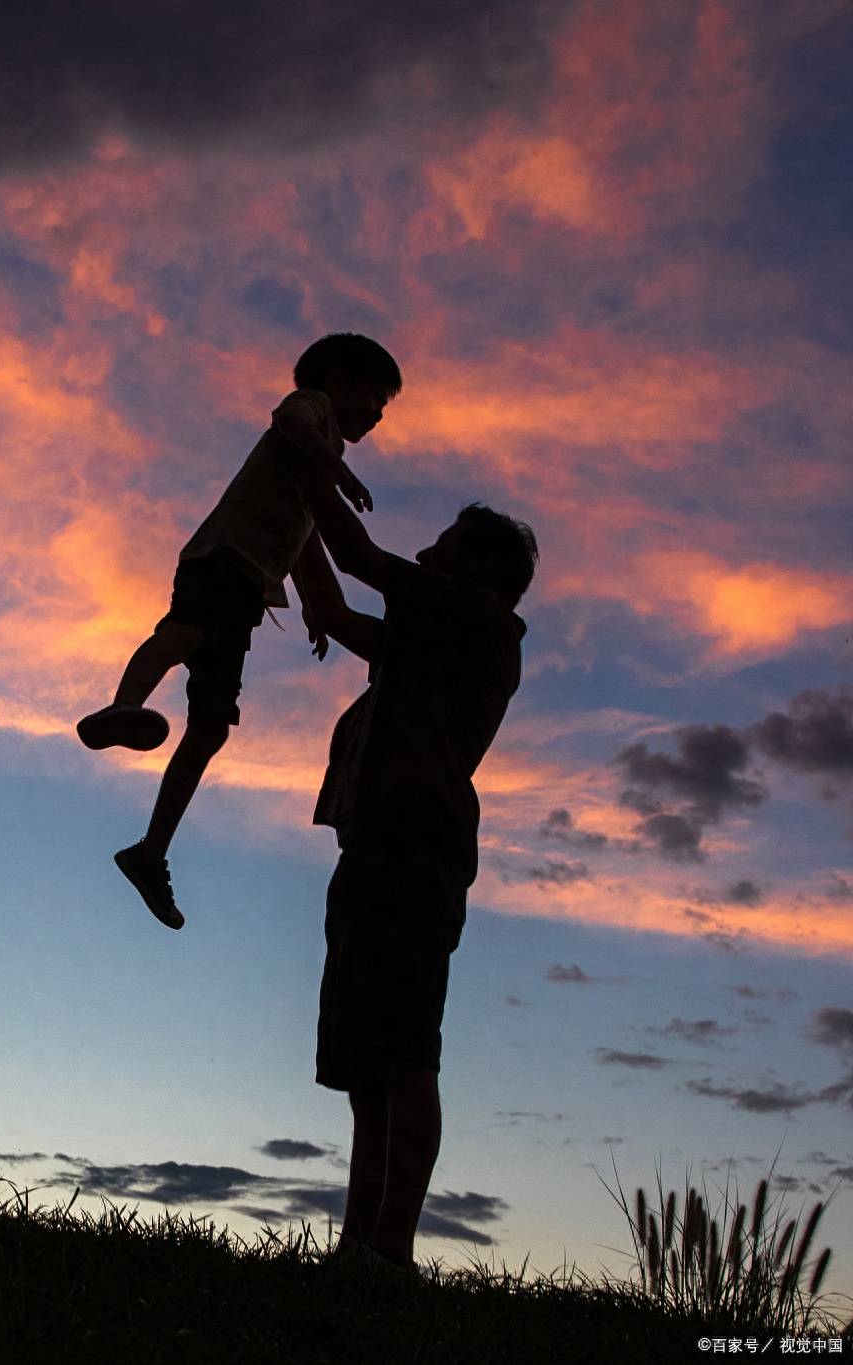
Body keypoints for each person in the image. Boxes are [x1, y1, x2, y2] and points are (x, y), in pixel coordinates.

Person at [292, 465, 537, 1274]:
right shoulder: (431, 635)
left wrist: (298, 463)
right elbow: (330, 606)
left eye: (447, 543)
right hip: (374, 850)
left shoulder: (473, 617)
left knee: (403, 1056)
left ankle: (389, 1252)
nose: (427, 551)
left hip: (414, 847)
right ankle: (358, 1247)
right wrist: (283, 523)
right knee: (369, 1063)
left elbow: (359, 554)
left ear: (477, 570)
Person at [75, 334, 401, 930]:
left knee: (210, 727)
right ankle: (123, 705)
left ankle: (150, 853)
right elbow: (286, 421)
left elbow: (301, 539)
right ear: (338, 380)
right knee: (186, 633)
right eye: (375, 398)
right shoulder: (314, 409)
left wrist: (312, 609)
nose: (378, 415)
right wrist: (335, 469)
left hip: (249, 586)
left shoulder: (323, 449)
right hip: (221, 558)